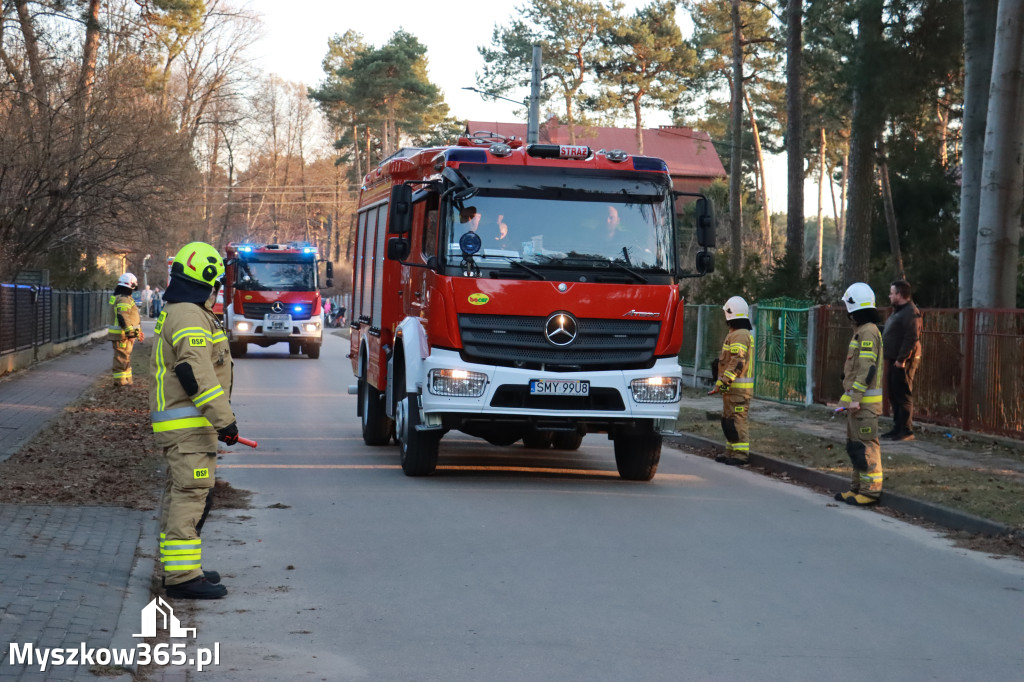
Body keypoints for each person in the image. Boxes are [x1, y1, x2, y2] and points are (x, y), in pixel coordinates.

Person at [149, 241, 244, 599]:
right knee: (192, 496)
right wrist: (225, 421)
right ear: (206, 279)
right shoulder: (190, 315)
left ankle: (184, 568)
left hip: (186, 426)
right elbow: (194, 371)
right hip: (189, 427)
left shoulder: (181, 310)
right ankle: (182, 578)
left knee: (185, 496)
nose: (219, 289)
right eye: (217, 281)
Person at [835, 282, 885, 507]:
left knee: (866, 446)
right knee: (855, 446)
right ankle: (856, 488)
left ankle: (870, 491)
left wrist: (855, 399)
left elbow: (867, 368)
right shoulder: (862, 331)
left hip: (864, 405)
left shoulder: (868, 332)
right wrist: (846, 400)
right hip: (858, 404)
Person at [709, 296, 755, 465]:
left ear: (730, 314)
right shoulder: (736, 334)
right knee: (728, 421)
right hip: (732, 389)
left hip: (738, 390)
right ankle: (731, 452)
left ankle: (740, 455)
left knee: (737, 420)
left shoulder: (740, 335)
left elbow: (738, 361)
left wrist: (723, 381)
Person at [882, 279, 922, 441]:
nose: (890, 296)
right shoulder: (898, 311)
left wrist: (901, 359)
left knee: (903, 394)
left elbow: (911, 337)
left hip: (903, 360)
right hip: (894, 358)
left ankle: (906, 430)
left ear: (899, 294)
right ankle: (897, 427)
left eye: (892, 293)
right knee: (893, 393)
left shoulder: (910, 312)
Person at [108, 272, 144, 386]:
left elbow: (130, 317)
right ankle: (120, 383)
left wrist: (138, 332)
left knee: (125, 357)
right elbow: (123, 316)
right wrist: (130, 332)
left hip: (123, 335)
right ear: (131, 285)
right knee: (121, 358)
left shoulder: (121, 297)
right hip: (122, 335)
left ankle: (127, 381)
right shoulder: (124, 299)